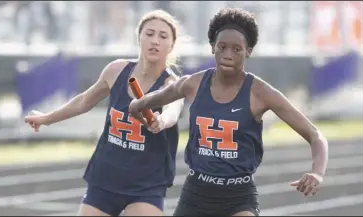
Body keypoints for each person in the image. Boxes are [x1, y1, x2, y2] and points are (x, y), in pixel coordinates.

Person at [128, 8, 329, 216]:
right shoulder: (193, 84)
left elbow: (315, 135)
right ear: (213, 47)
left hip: (238, 197)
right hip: (196, 194)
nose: (227, 55)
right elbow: (147, 101)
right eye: (222, 47)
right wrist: (137, 107)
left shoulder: (261, 93)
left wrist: (318, 172)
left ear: (248, 51)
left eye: (236, 49)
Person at [24, 9, 185, 216]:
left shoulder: (172, 85)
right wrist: (46, 118)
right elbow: (83, 101)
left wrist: (160, 122)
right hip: (106, 175)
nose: (155, 40)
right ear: (139, 38)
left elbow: (172, 112)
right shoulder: (116, 70)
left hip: (146, 183)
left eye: (163, 36)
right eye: (149, 33)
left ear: (171, 45)